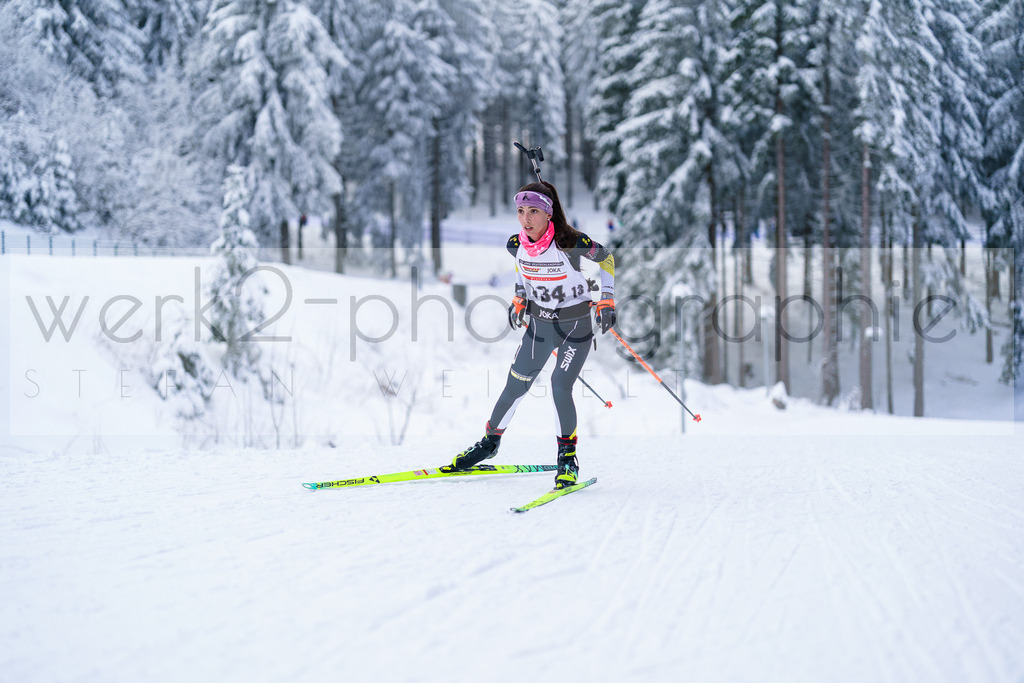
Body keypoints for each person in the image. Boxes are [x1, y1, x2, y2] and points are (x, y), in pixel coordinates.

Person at [442, 181, 616, 489]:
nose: (526, 218)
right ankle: (489, 443)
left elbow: (607, 259)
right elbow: (524, 272)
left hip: (575, 326)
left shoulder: (569, 241)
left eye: (534, 211)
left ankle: (567, 459)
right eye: (521, 211)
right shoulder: (516, 244)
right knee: (515, 386)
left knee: (559, 386)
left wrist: (607, 299)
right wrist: (520, 297)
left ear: (548, 213)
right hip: (540, 326)